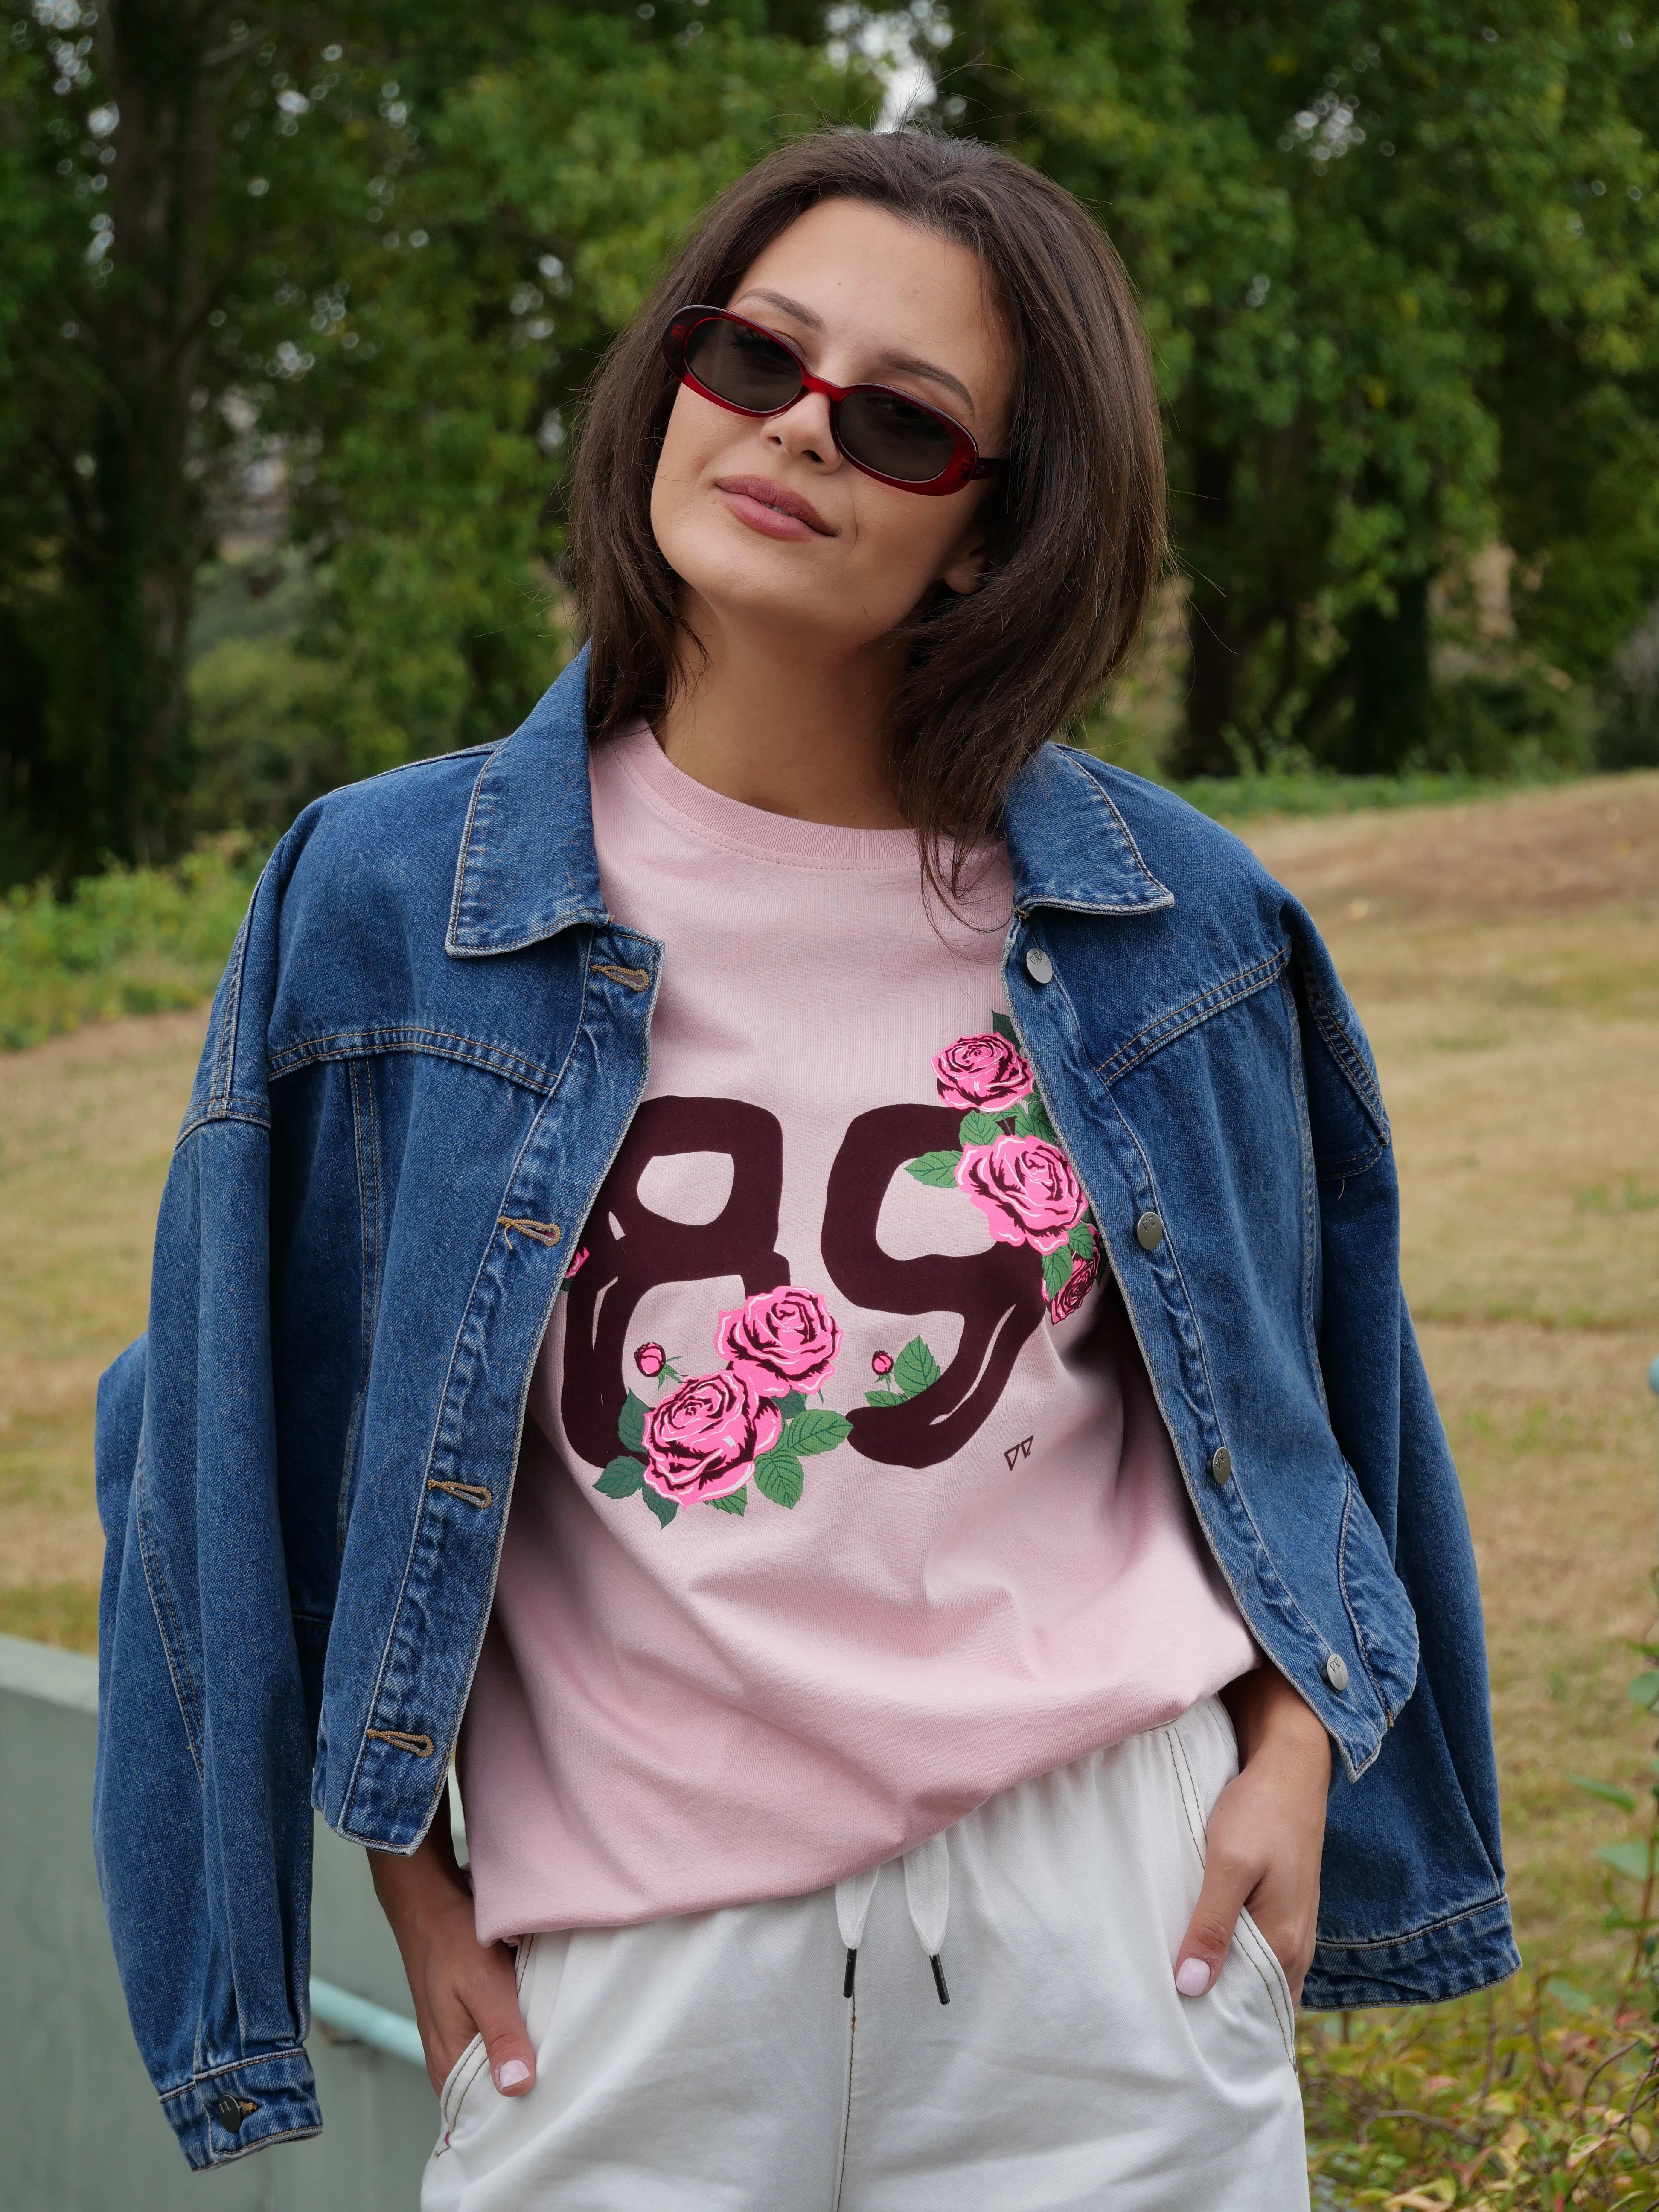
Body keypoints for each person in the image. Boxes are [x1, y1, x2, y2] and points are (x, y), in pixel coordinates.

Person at [93, 128, 1516, 2207]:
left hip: (1112, 1953)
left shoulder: (1175, 923)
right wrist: (400, 1869)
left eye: (904, 423)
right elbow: (224, 1423)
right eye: (755, 356)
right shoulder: (388, 903)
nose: (798, 431)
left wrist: (1294, 1754)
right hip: (618, 1982)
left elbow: (1324, 1400)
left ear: (992, 534)